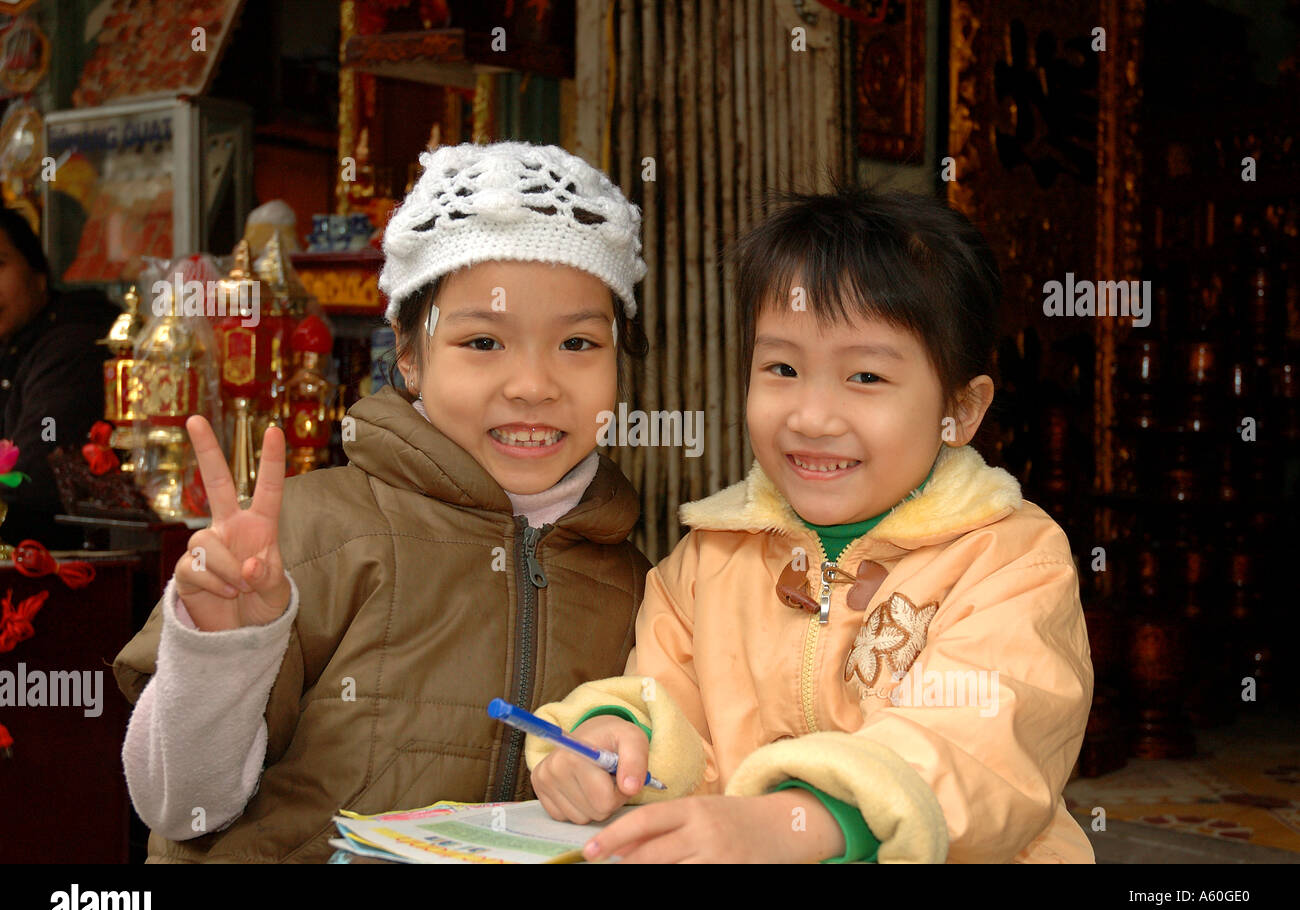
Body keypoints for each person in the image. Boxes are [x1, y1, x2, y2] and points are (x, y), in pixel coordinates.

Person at [112, 141, 653, 863]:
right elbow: (182, 809)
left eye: (578, 343)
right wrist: (221, 655)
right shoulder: (312, 532)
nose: (533, 384)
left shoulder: (642, 586)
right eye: (484, 341)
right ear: (407, 354)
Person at [527, 185, 1096, 864]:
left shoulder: (1012, 560)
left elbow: (979, 751)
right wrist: (616, 740)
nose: (811, 416)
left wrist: (793, 822)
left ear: (962, 409)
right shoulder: (712, 556)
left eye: (864, 377)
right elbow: (673, 709)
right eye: (783, 368)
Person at [0, 207, 116, 549]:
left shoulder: (74, 344)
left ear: (38, 273)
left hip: (55, 567)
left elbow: (29, 484)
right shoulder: (12, 342)